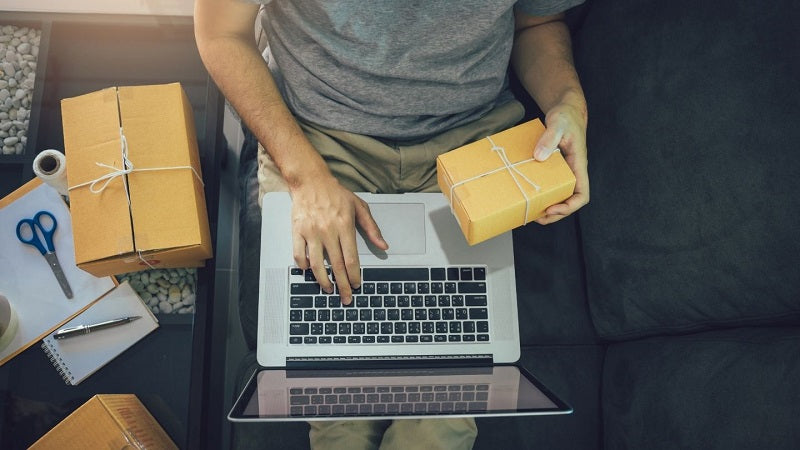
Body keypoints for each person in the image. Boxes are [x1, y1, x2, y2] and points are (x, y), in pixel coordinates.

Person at [195, 1, 588, 449]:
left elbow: (539, 21)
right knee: (338, 409)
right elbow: (220, 33)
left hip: (469, 144)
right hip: (319, 141)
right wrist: (306, 176)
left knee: (440, 421)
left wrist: (568, 102)